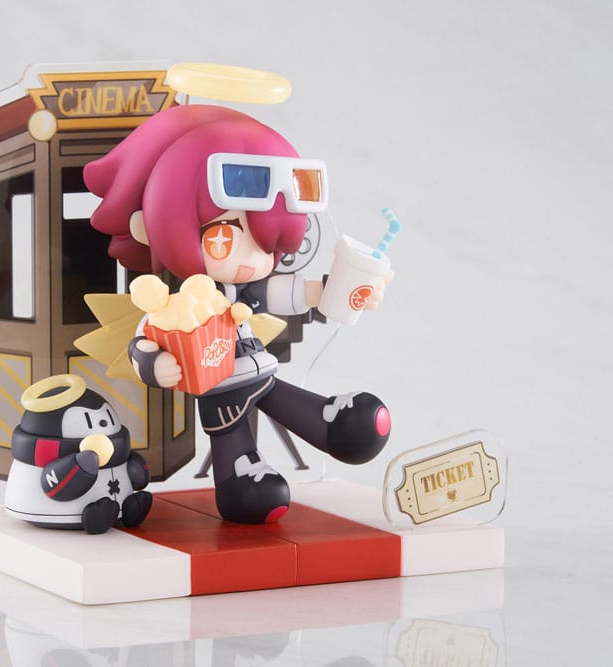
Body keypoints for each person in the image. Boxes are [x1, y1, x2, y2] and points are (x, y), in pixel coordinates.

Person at [84, 105, 390, 524]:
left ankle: (333, 425)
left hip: (259, 369)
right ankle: (238, 477)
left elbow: (288, 292)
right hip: (219, 388)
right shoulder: (169, 304)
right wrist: (156, 365)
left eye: (268, 244)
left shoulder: (243, 290)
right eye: (225, 235)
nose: (252, 258)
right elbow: (142, 342)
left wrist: (344, 291)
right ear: (152, 224)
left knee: (282, 396)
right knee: (232, 438)